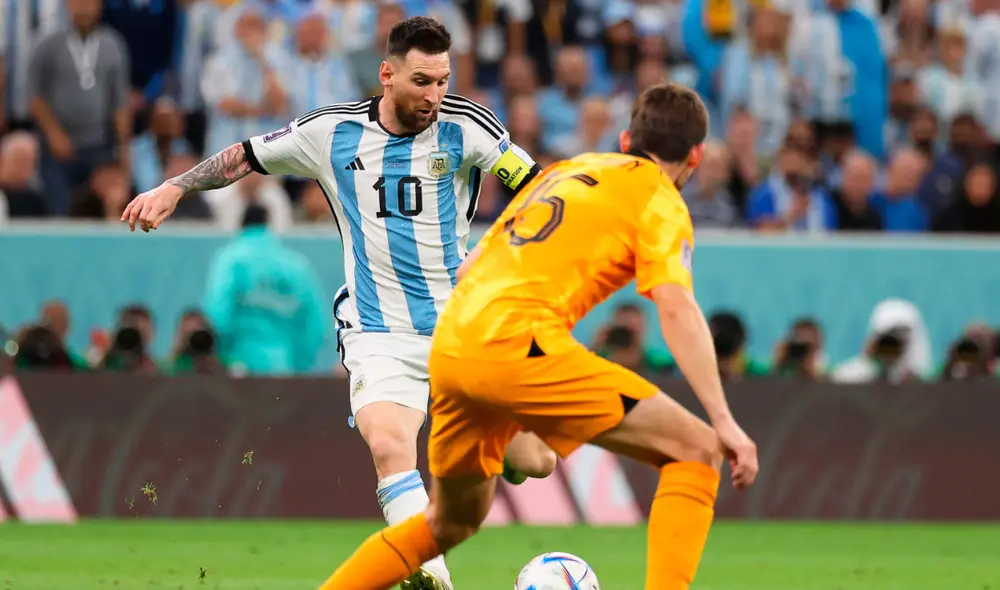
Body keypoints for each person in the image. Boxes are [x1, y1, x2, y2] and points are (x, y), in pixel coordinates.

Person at [120, 16, 556, 590]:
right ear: (387, 74)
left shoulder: (467, 127)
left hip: (461, 327)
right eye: (422, 81)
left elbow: (542, 190)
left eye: (443, 81)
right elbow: (246, 155)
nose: (435, 95)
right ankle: (433, 578)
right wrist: (173, 186)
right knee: (388, 441)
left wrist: (500, 248)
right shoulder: (330, 134)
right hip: (378, 331)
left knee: (537, 462)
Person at [318, 82, 759, 590]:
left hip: (454, 343)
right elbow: (676, 307)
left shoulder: (566, 173)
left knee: (448, 523)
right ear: (697, 156)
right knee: (697, 451)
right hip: (518, 340)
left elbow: (471, 268)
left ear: (624, 139)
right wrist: (723, 420)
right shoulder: (659, 199)